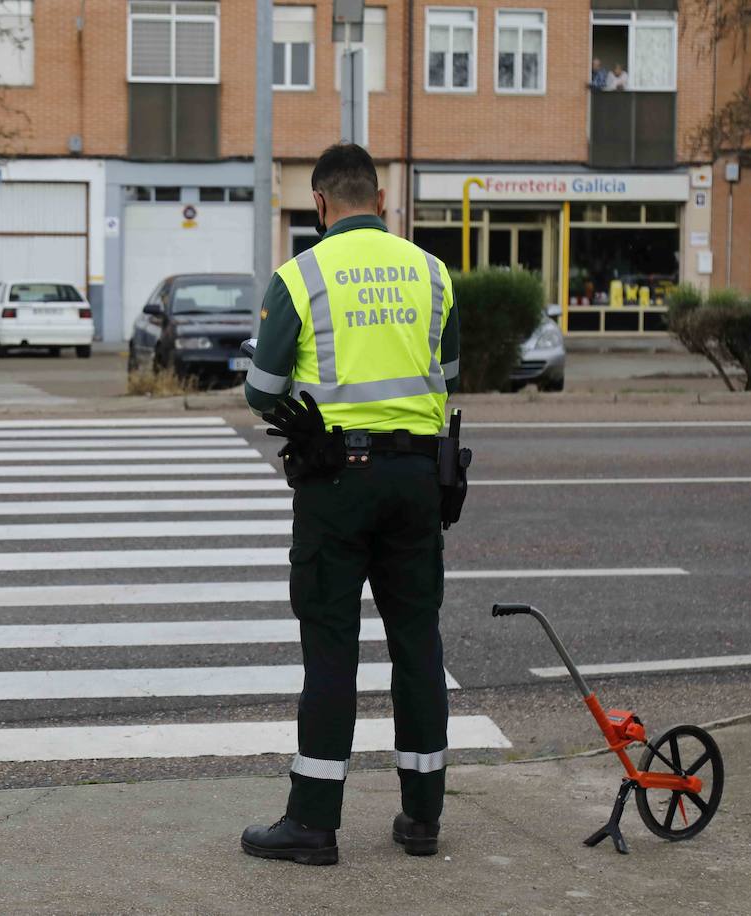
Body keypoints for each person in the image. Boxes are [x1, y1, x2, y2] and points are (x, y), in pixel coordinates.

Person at [239, 144, 461, 866]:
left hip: (336, 481)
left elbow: (262, 388)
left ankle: (313, 824)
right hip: (419, 479)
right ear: (381, 201)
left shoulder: (300, 276)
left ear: (321, 205)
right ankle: (422, 818)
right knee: (416, 643)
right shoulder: (431, 273)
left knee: (331, 645)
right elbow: (448, 371)